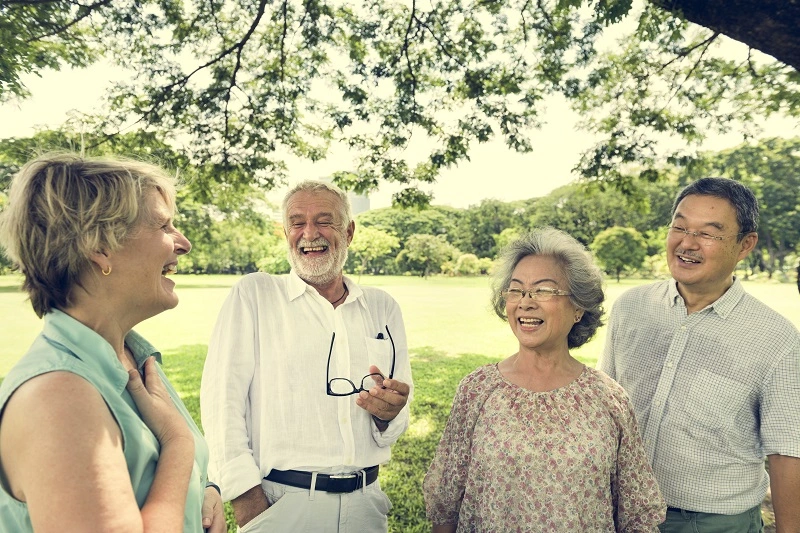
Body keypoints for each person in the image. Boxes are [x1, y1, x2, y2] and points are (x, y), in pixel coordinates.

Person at [0, 153, 224, 532]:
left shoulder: (132, 358)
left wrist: (202, 490)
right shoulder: (57, 396)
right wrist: (178, 446)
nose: (182, 243)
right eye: (164, 226)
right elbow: (174, 451)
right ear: (99, 246)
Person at [200, 179, 413, 532]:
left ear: (349, 231)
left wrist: (388, 416)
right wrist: (247, 500)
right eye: (297, 222)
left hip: (366, 505)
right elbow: (222, 403)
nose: (309, 233)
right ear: (286, 233)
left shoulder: (382, 307)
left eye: (324, 221)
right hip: (281, 504)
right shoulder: (255, 295)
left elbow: (397, 419)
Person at [424, 228, 665, 532]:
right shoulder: (477, 389)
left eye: (544, 290)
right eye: (516, 290)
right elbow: (445, 506)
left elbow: (638, 515)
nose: (525, 302)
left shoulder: (608, 398)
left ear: (578, 307)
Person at [599, 177, 800, 532]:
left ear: (745, 245)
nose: (687, 243)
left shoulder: (777, 339)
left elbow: (787, 453)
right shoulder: (632, 307)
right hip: (620, 511)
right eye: (679, 227)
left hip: (712, 522)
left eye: (708, 233)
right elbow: (605, 408)